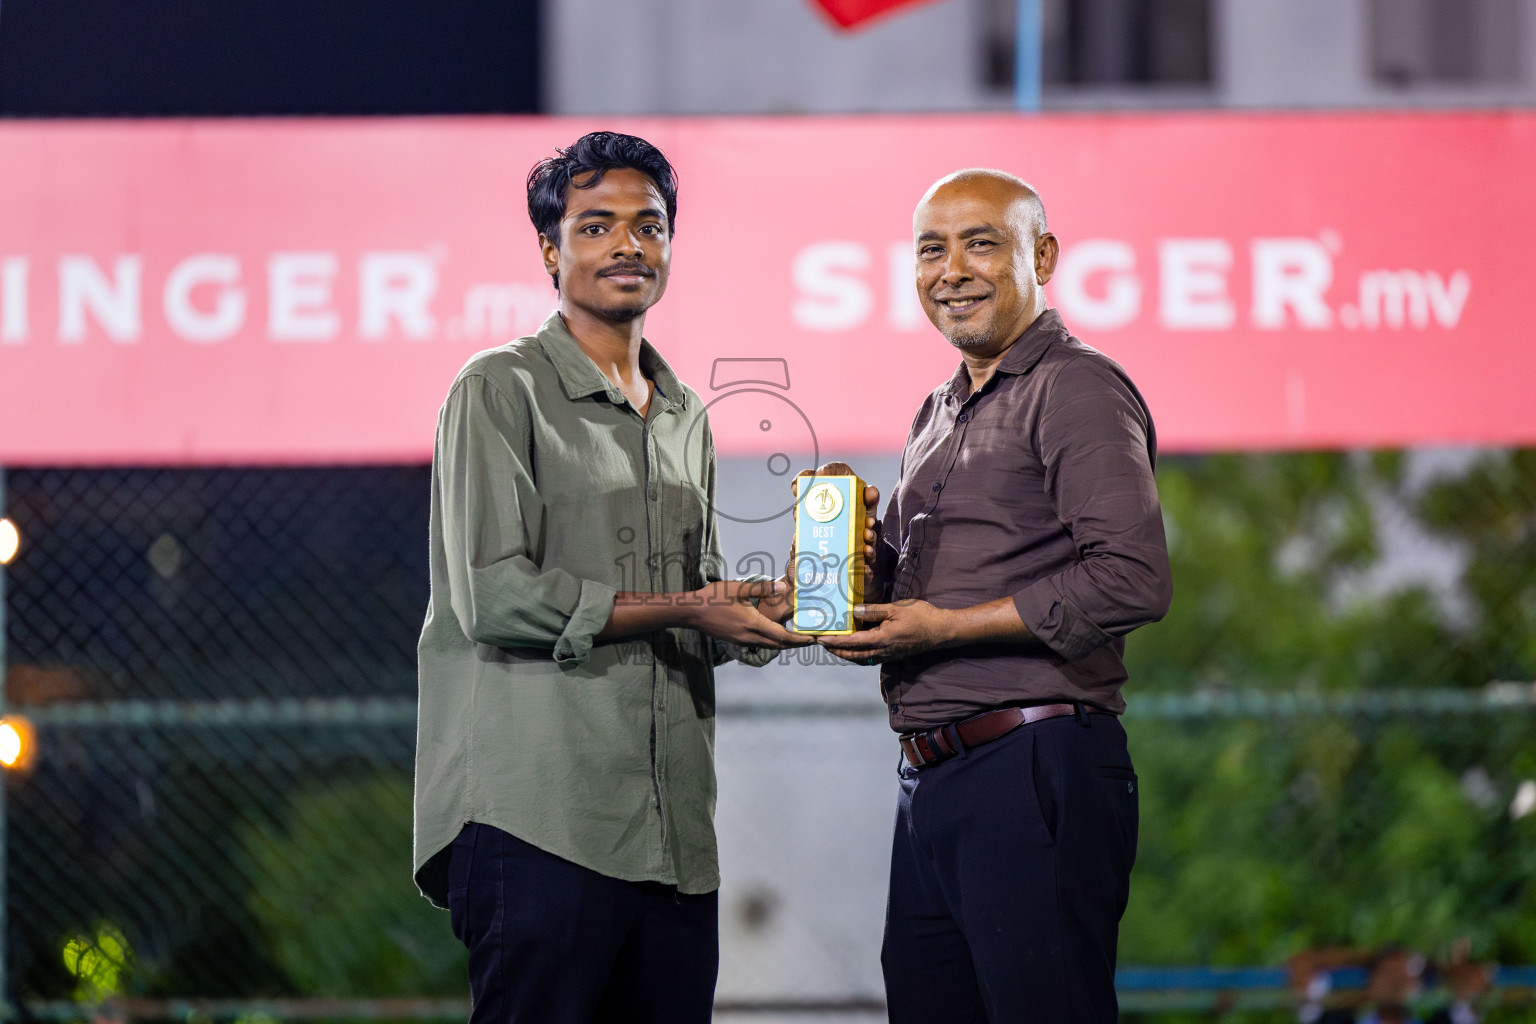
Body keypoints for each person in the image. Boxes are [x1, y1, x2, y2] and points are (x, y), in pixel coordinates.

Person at [412, 131, 809, 1024]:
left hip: (672, 838)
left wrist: (768, 610)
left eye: (650, 224)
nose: (629, 245)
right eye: (596, 227)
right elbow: (496, 596)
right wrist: (695, 607)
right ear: (549, 251)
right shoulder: (498, 389)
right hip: (540, 818)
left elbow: (693, 598)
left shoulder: (685, 414)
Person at [819, 168, 1174, 1023]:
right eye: (931, 249)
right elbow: (915, 589)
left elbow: (1132, 577)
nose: (952, 270)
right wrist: (853, 560)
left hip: (1032, 766)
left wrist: (943, 627)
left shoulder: (1077, 388)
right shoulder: (937, 410)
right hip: (934, 780)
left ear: (1041, 255)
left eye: (981, 242)